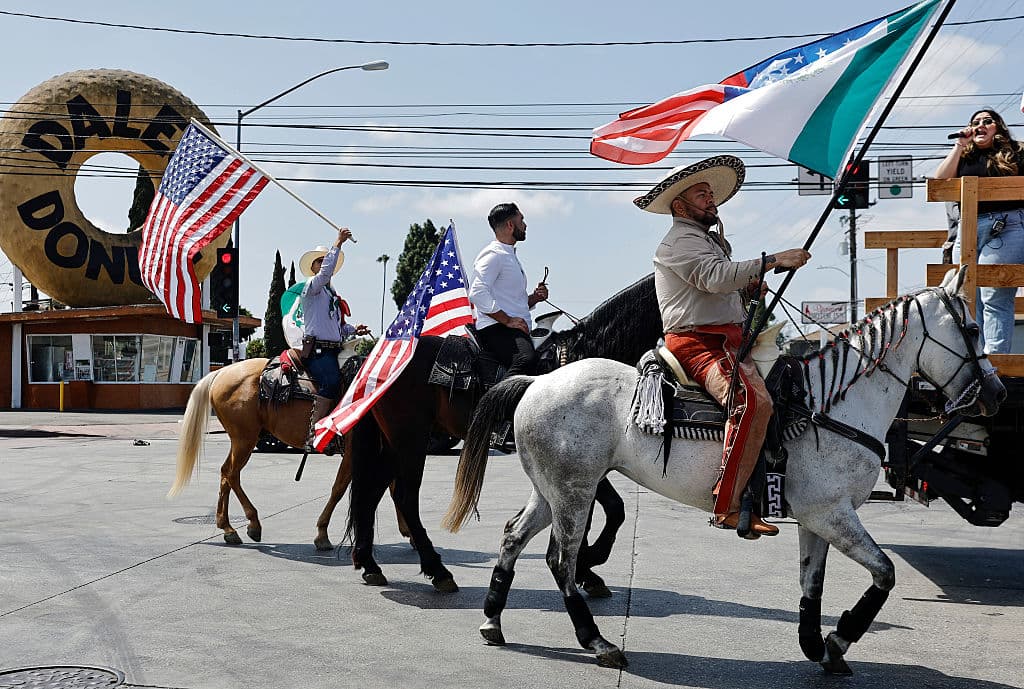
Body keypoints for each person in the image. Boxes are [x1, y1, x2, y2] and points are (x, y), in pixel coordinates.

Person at [635, 155, 810, 539]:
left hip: (728, 339)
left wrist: (748, 288)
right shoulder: (679, 241)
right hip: (698, 343)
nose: (711, 201)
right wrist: (772, 261)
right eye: (702, 195)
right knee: (753, 402)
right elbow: (713, 279)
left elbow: (719, 286)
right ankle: (727, 504)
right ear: (679, 206)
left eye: (711, 194)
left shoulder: (704, 240)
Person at [935, 108, 1024, 354]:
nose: (980, 125)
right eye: (975, 122)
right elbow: (941, 181)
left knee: (995, 294)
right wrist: (959, 146)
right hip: (969, 226)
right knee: (965, 296)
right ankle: (974, 358)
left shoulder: (1016, 152)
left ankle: (995, 359)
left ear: (999, 127)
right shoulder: (965, 155)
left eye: (988, 121)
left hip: (1008, 225)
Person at [468, 202, 549, 376]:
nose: (525, 225)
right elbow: (477, 292)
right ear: (510, 225)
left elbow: (512, 302)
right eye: (521, 220)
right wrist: (507, 320)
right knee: (526, 360)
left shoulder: (508, 255)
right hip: (496, 329)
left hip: (511, 329)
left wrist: (534, 298)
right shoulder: (494, 254)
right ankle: (497, 403)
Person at [298, 227, 369, 418]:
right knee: (331, 382)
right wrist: (337, 243)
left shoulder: (331, 295)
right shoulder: (311, 287)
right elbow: (324, 274)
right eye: (319, 261)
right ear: (312, 268)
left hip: (334, 349)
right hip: (318, 351)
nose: (322, 265)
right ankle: (316, 429)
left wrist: (354, 329)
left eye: (324, 261)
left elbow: (337, 328)